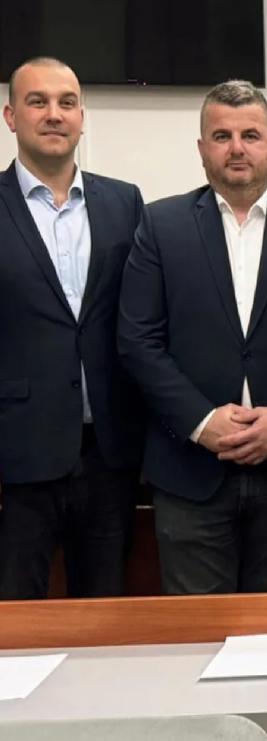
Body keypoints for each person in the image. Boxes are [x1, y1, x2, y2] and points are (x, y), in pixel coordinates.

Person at [118, 79, 267, 594]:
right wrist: (201, 423)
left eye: (251, 135)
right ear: (202, 149)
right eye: (222, 136)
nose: (237, 148)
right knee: (197, 635)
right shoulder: (160, 226)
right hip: (190, 472)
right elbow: (138, 341)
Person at [0, 56, 144, 599]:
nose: (54, 114)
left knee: (103, 618)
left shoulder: (125, 202)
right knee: (15, 620)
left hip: (109, 453)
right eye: (37, 102)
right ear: (11, 116)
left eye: (67, 103)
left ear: (82, 116)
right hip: (17, 457)